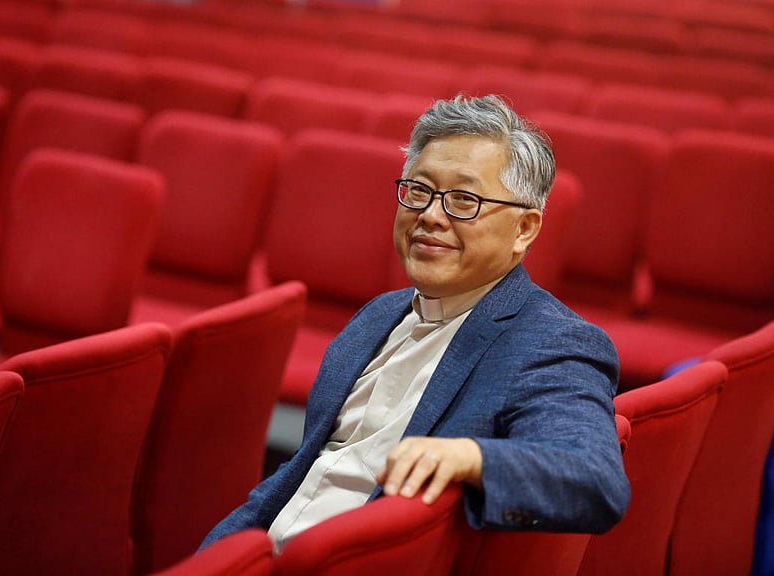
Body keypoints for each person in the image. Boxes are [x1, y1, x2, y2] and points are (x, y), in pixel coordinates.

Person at [201, 94, 630, 553]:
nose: (430, 215)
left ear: (524, 229)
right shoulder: (376, 317)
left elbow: (594, 479)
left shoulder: (551, 342)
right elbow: (301, 475)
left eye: (463, 199)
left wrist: (470, 455)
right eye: (419, 191)